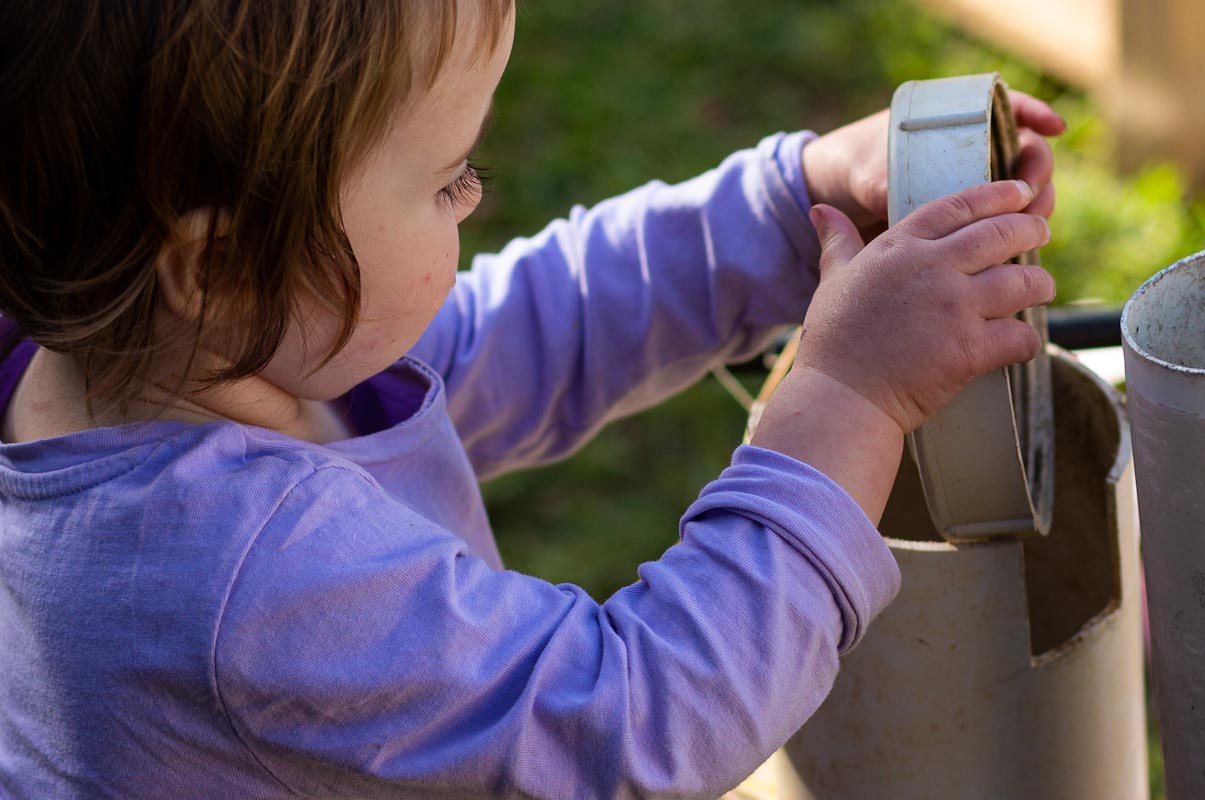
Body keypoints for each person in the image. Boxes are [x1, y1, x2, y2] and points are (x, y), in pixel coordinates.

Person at [0, 1, 1064, 797]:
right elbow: (633, 717)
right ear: (227, 268)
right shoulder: (238, 572)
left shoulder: (182, 357)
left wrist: (794, 206)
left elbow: (530, 331)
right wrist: (848, 396)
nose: (474, 201)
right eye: (451, 180)